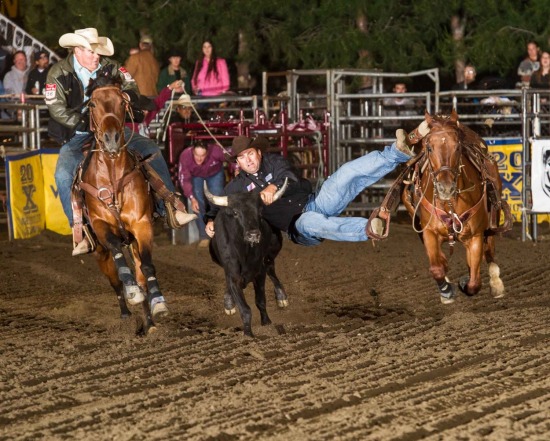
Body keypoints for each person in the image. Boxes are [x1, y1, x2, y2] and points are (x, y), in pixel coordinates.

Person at [46, 27, 196, 256]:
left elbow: (131, 86)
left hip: (113, 129)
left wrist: (125, 98)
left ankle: (170, 207)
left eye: (97, 51)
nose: (96, 56)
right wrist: (81, 122)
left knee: (150, 149)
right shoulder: (58, 73)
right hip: (78, 134)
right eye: (90, 51)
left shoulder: (112, 67)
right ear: (77, 50)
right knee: (63, 175)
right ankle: (80, 231)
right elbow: (56, 107)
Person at [204, 121, 429, 246]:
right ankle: (368, 229)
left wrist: (273, 187)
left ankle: (397, 152)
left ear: (259, 153)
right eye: (242, 158)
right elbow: (215, 206)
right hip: (297, 227)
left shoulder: (273, 161)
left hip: (316, 201)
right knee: (311, 222)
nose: (248, 160)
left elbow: (289, 176)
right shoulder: (237, 187)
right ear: (237, 163)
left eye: (250, 154)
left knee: (346, 173)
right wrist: (210, 221)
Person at [178, 141, 227, 247]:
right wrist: (191, 198)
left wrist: (236, 169)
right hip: (196, 175)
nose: (199, 159)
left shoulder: (216, 151)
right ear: (192, 152)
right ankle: (204, 236)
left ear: (207, 153)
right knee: (197, 204)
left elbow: (231, 157)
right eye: (197, 155)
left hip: (215, 173)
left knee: (217, 198)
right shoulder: (185, 155)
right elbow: (184, 178)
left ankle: (219, 234)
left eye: (202, 155)